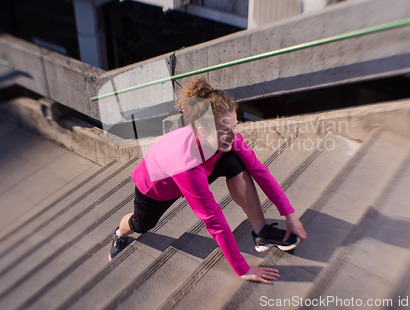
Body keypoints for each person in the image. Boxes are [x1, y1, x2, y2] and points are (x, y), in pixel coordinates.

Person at [109, 78, 307, 284]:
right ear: (203, 131)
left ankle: (261, 232)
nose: (233, 136)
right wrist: (242, 269)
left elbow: (259, 170)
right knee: (141, 224)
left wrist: (289, 214)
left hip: (203, 162)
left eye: (234, 127)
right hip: (156, 189)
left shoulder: (226, 138)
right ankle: (119, 233)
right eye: (225, 131)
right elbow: (213, 219)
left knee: (234, 161)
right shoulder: (186, 164)